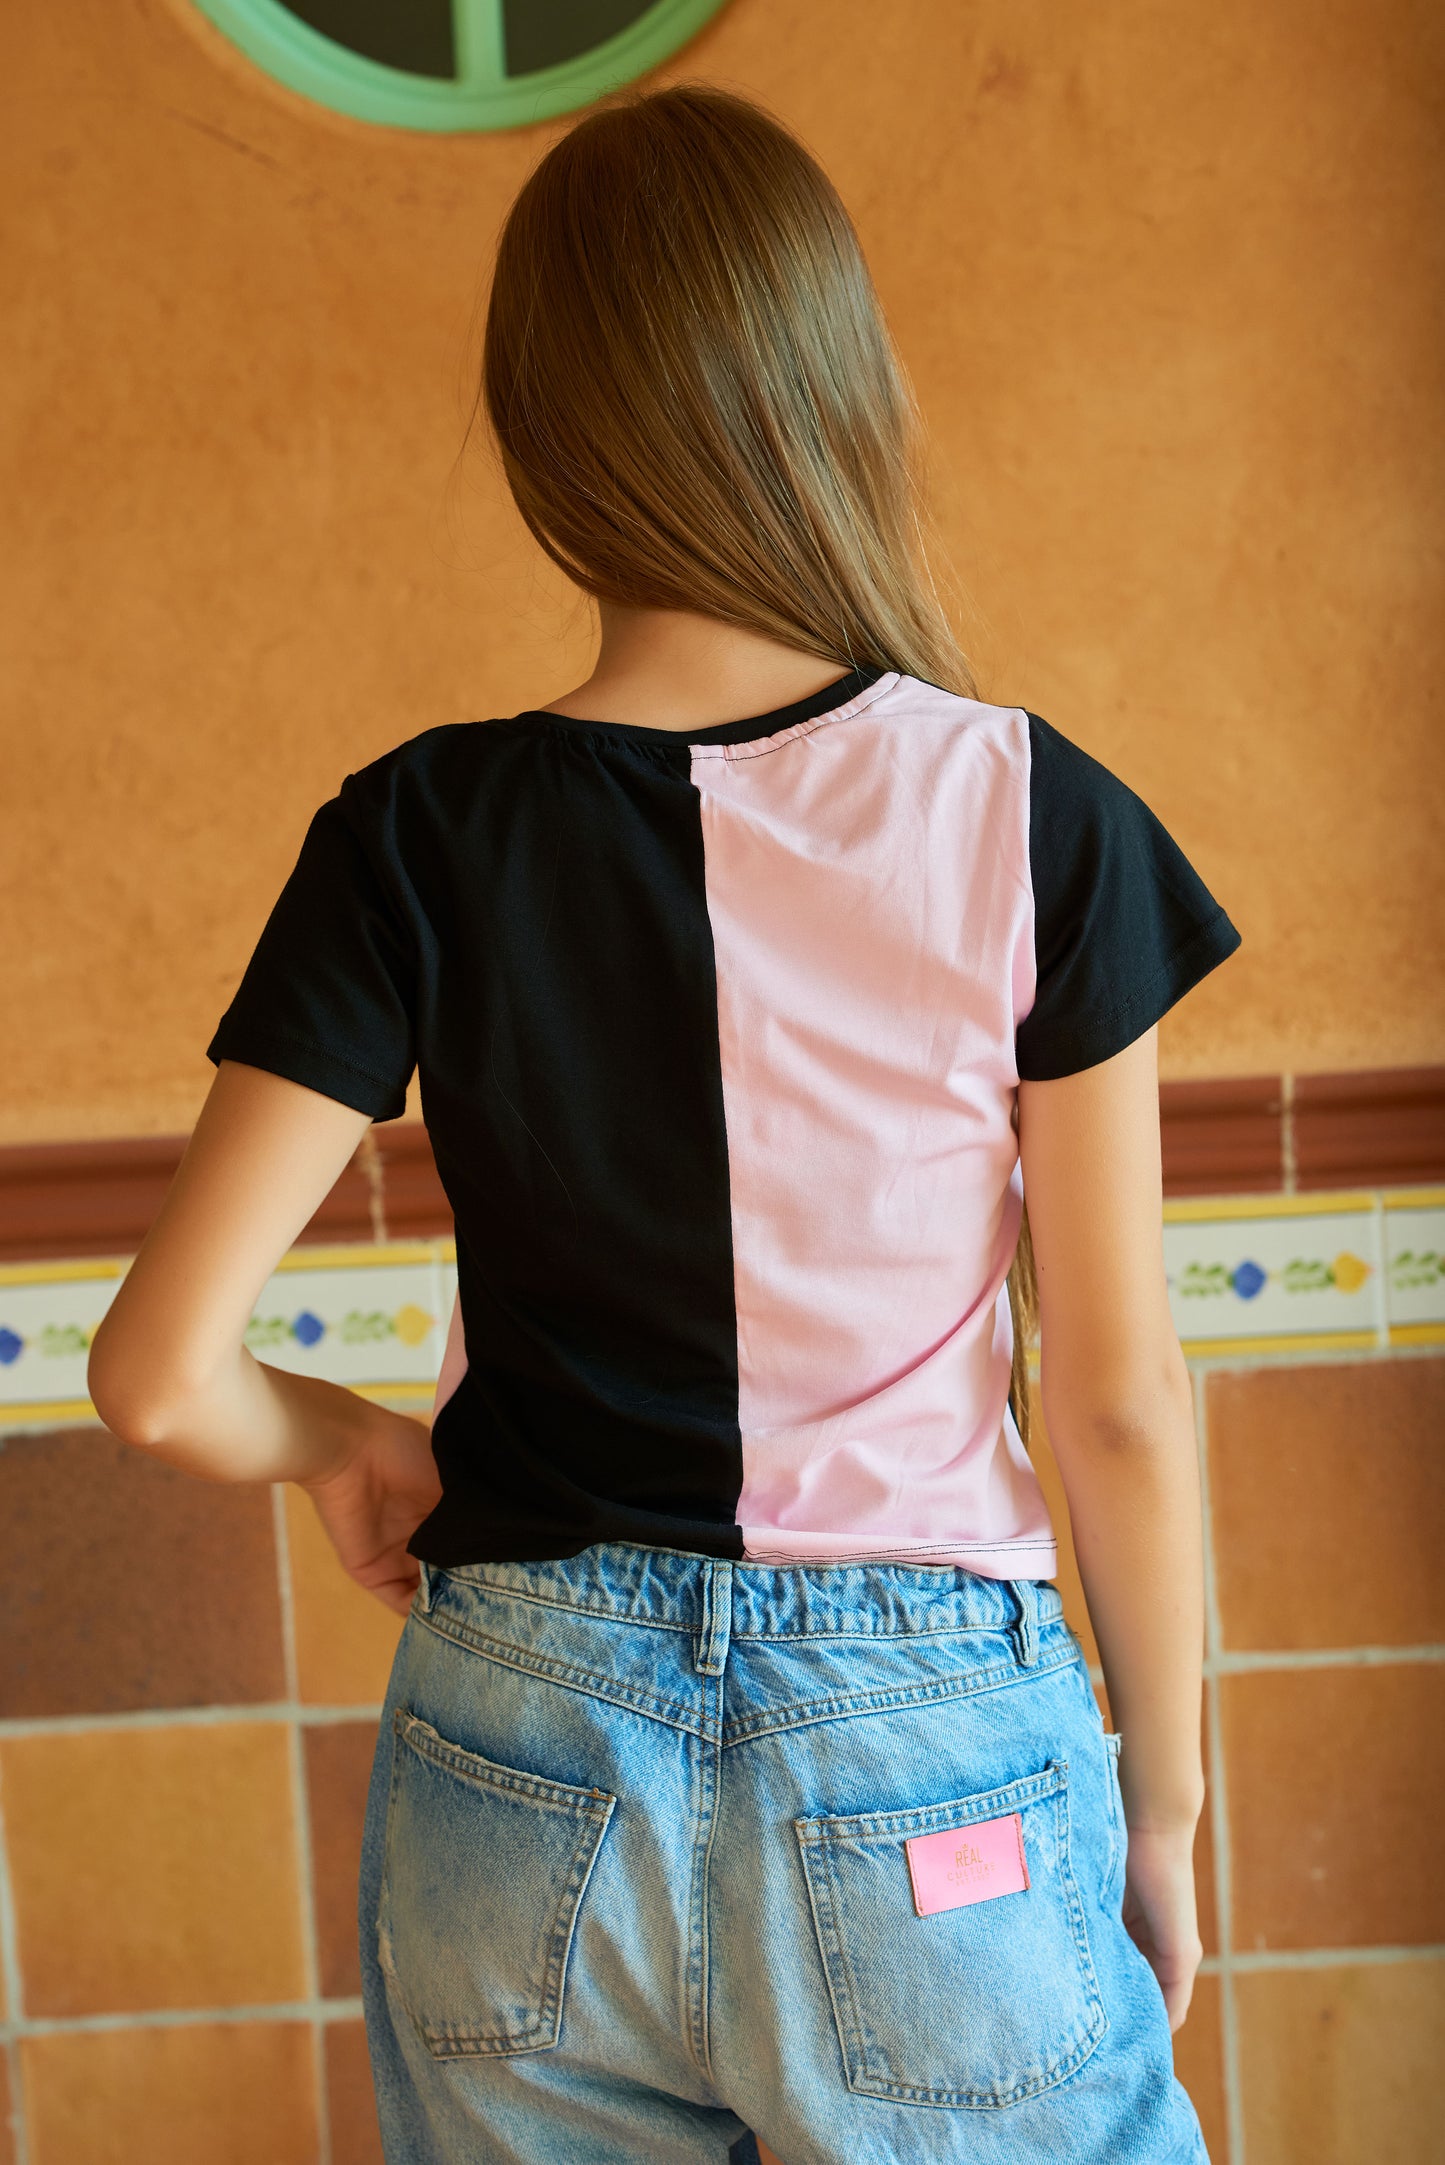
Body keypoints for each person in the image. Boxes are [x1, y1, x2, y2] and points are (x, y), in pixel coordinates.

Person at [89, 85, 1238, 2165]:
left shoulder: (414, 832)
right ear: (836, 397)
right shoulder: (1030, 812)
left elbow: (159, 1376)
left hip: (516, 1749)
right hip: (930, 1758)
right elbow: (1118, 1400)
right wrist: (1157, 1800)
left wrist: (343, 1443)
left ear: (544, 433)